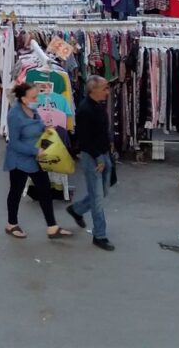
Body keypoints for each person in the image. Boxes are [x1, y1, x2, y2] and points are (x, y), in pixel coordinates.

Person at [3, 82, 73, 240]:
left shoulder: (33, 109)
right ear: (24, 99)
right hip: (19, 160)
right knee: (16, 190)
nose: (36, 99)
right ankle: (11, 224)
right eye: (33, 97)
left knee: (44, 189)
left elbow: (38, 124)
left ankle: (52, 227)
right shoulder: (14, 115)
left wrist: (46, 128)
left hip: (35, 159)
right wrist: (36, 150)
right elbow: (14, 142)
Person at [66, 76, 116, 251]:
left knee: (102, 192)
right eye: (104, 88)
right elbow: (86, 140)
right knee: (98, 198)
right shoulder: (85, 110)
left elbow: (101, 132)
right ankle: (99, 235)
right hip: (94, 158)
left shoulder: (98, 106)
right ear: (93, 90)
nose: (107, 91)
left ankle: (77, 209)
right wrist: (99, 158)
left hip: (103, 154)